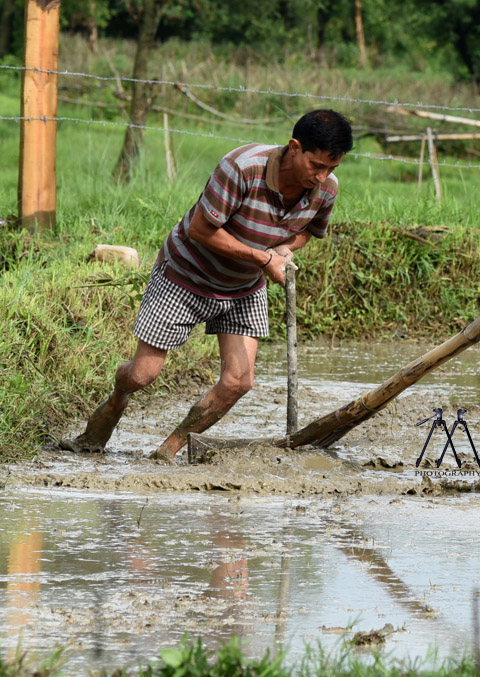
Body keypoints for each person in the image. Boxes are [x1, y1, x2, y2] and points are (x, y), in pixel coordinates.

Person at [60, 109, 353, 463]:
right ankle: (115, 401)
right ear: (294, 147)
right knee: (141, 375)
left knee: (239, 381)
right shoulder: (241, 168)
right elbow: (201, 230)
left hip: (243, 287)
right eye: (316, 165)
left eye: (331, 169)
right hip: (186, 275)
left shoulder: (325, 190)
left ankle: (168, 450)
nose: (322, 177)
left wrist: (284, 248)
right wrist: (263, 259)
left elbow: (308, 231)